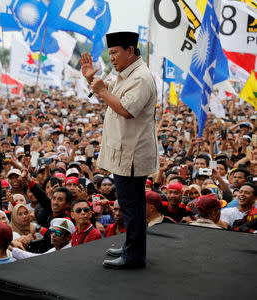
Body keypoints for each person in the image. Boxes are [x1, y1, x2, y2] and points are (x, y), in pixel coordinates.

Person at [81, 31, 158, 269]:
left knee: (132, 207)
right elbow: (104, 92)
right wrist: (90, 79)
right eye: (110, 52)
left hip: (132, 153)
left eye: (115, 52)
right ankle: (130, 247)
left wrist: (102, 90)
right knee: (129, 205)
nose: (112, 58)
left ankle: (134, 255)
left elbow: (126, 109)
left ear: (131, 51)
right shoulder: (126, 74)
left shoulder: (141, 78)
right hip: (125, 152)